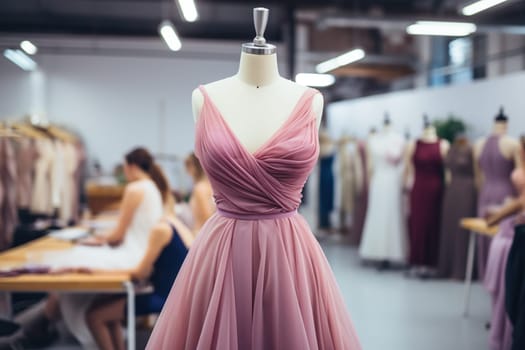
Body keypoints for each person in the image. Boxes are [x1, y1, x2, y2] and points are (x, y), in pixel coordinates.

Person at [33, 147, 167, 348]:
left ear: (131, 166)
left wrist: (94, 240)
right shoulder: (153, 188)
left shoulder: (135, 189)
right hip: (141, 254)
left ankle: (46, 322)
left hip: (131, 256)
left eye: (124, 168)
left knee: (74, 257)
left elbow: (117, 237)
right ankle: (47, 322)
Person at [86, 199, 193, 350]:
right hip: (172, 295)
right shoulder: (171, 225)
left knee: (94, 316)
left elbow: (140, 273)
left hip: (164, 298)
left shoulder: (160, 230)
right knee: (102, 307)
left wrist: (97, 271)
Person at [184, 152, 215, 234]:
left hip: (202, 233)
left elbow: (207, 218)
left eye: (188, 166)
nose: (186, 170)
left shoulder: (200, 188)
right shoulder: (208, 186)